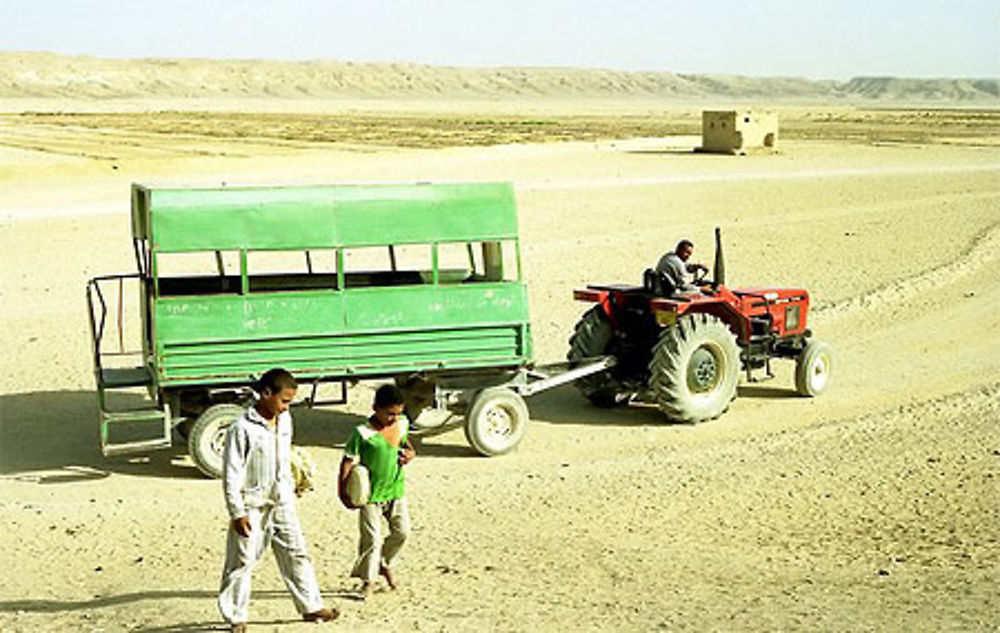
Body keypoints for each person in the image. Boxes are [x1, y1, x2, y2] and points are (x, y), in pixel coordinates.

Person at [218, 368, 337, 632]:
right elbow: (231, 474)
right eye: (284, 401)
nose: (286, 407)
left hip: (282, 501)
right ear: (266, 393)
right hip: (251, 505)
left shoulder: (285, 421)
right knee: (242, 561)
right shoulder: (242, 428)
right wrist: (237, 512)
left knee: (296, 552)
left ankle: (311, 606)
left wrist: (296, 485)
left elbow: (284, 459)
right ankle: (237, 617)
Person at [338, 383, 416, 600]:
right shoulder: (362, 433)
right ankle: (368, 581)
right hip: (370, 495)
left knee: (403, 532)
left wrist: (410, 455)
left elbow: (407, 446)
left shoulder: (402, 424)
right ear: (375, 408)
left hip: (396, 490)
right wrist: (343, 492)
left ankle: (384, 562)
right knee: (371, 539)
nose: (394, 418)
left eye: (398, 413)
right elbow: (346, 462)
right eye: (389, 413)